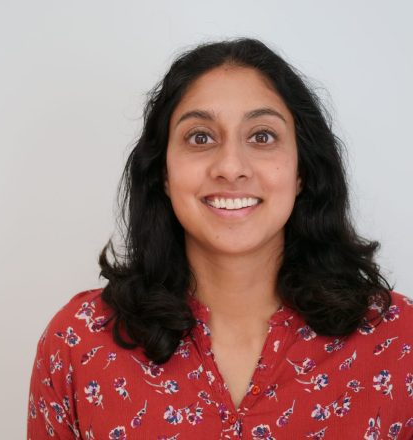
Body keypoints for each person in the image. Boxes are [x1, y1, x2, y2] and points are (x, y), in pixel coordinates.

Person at [27, 38, 413, 439]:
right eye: (200, 137)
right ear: (162, 171)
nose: (231, 167)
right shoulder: (78, 342)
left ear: (302, 170)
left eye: (262, 136)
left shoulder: (401, 342)